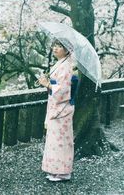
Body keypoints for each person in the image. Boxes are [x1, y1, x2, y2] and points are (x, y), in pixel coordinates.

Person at [38, 40, 75, 182]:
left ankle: (63, 172)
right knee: (55, 140)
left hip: (62, 109)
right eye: (55, 45)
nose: (55, 48)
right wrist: (47, 83)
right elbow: (56, 85)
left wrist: (47, 84)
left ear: (67, 50)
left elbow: (64, 89)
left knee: (61, 140)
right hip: (56, 107)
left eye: (59, 46)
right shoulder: (60, 64)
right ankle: (55, 170)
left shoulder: (66, 66)